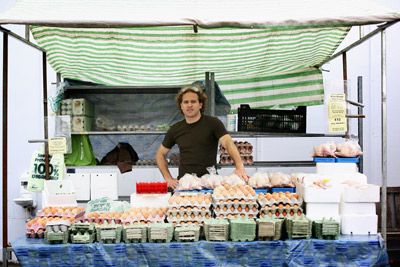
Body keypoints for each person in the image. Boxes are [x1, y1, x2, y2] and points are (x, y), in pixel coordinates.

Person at [156, 84, 249, 190]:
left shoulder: (213, 123)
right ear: (181, 106)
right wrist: (168, 178)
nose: (189, 105)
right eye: (186, 102)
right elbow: (160, 154)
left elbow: (227, 142)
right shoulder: (175, 129)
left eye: (193, 101)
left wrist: (239, 166)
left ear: (200, 104)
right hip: (186, 185)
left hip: (210, 184)